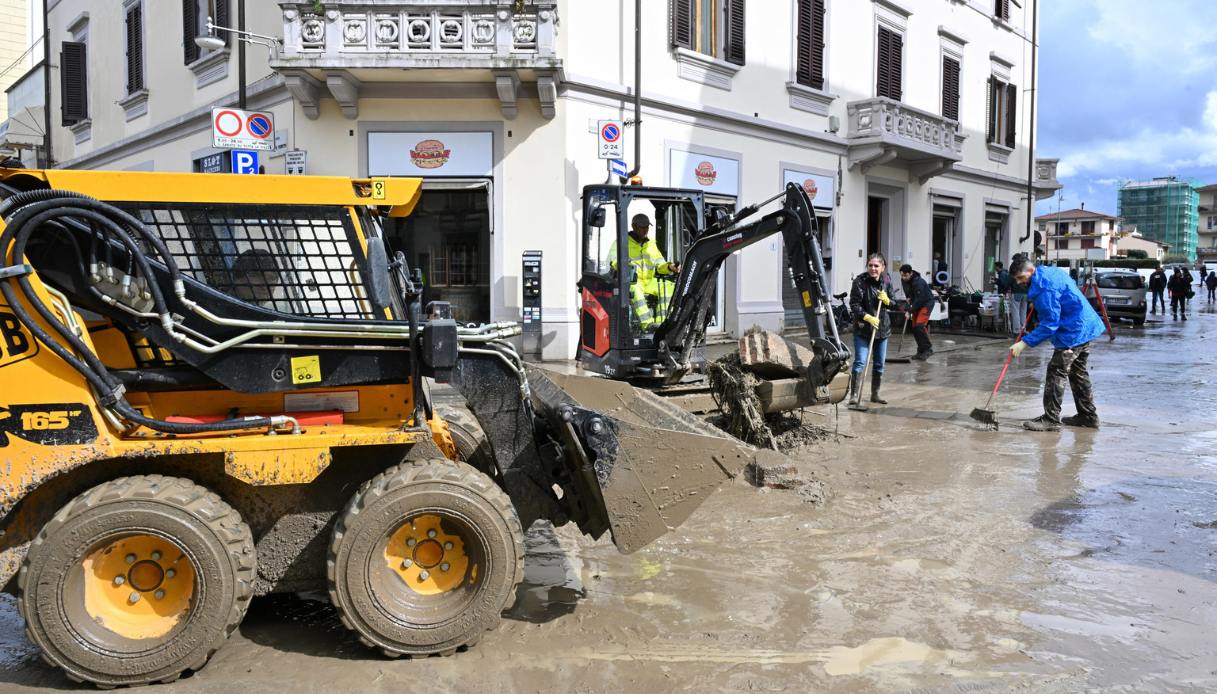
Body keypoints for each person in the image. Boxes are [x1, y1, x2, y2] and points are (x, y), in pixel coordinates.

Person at [1008, 257, 1106, 431]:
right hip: (1084, 325)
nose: (1018, 282)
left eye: (1020, 277)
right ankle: (1088, 416)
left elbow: (1049, 325)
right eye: (1016, 279)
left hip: (1073, 331)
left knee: (1056, 371)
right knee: (1078, 373)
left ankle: (1051, 419)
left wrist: (1023, 343)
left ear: (1031, 271)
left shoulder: (1044, 288)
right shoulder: (1048, 272)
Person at [609, 213, 681, 331]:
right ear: (634, 226)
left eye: (647, 227)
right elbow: (614, 261)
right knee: (634, 288)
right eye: (642, 227)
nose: (645, 230)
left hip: (648, 281)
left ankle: (662, 324)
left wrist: (670, 267)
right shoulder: (622, 242)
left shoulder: (651, 244)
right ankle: (648, 324)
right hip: (633, 281)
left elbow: (659, 264)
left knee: (669, 286)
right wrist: (624, 265)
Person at [849, 253, 894, 404]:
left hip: (882, 329)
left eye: (876, 266)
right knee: (860, 361)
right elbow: (854, 304)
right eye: (870, 265)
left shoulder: (886, 281)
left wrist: (887, 300)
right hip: (863, 329)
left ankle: (875, 394)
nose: (873, 268)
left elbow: (894, 302)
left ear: (883, 267)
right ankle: (854, 396)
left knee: (879, 363)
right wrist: (867, 317)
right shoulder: (860, 281)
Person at [899, 264, 935, 360]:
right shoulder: (904, 280)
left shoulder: (919, 282)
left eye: (905, 275)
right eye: (902, 275)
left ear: (910, 273)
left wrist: (910, 310)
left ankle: (928, 349)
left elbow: (920, 299)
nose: (903, 278)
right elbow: (909, 297)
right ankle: (921, 350)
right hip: (916, 303)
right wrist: (908, 307)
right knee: (915, 328)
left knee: (919, 326)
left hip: (926, 303)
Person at [1006, 253, 1030, 336]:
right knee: (1023, 312)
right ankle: (1023, 330)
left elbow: (1010, 279)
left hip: (1016, 291)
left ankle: (1016, 331)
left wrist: (1007, 288)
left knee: (1015, 311)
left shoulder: (1014, 266)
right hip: (1026, 292)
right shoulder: (1026, 266)